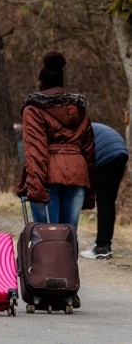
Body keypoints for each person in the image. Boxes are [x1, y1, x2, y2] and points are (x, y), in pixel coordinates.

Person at [16, 51, 96, 228]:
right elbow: (89, 151)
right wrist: (90, 189)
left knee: (48, 237)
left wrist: (36, 189)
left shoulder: (34, 109)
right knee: (68, 236)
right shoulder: (80, 109)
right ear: (61, 81)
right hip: (77, 175)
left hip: (48, 177)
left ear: (42, 83)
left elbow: (35, 151)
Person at [80, 123, 129, 259]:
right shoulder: (89, 126)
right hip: (121, 153)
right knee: (109, 201)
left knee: (103, 201)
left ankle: (101, 247)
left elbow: (83, 162)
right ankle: (106, 245)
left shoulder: (77, 131)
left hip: (106, 156)